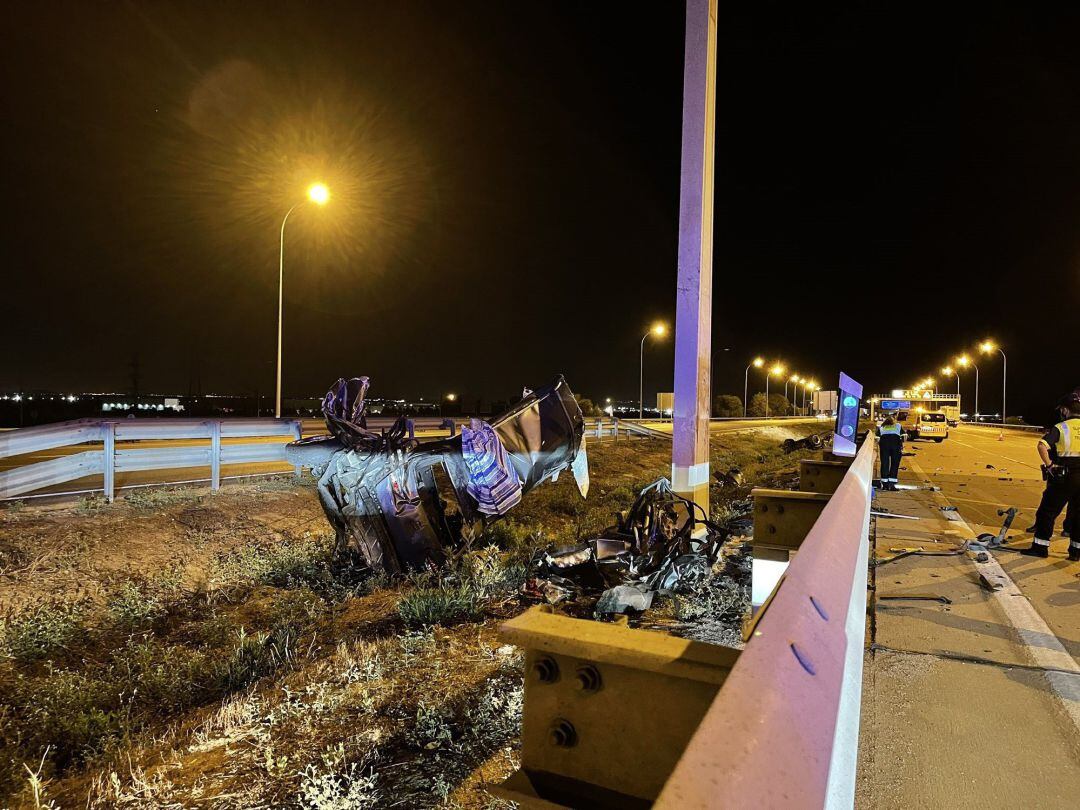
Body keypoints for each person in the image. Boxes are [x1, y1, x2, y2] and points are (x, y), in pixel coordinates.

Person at [1021, 392, 1080, 560]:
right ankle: (1076, 552)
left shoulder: (1062, 427)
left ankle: (1040, 547)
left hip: (1065, 475)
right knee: (1078, 515)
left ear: (1066, 410)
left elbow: (1042, 446)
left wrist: (1050, 465)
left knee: (1047, 512)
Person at [877, 416, 904, 491]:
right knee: (895, 464)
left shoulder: (881, 427)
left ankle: (885, 485)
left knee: (885, 464)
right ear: (893, 421)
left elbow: (877, 438)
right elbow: (904, 436)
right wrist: (901, 444)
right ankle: (892, 485)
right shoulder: (898, 426)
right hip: (895, 445)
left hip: (884, 446)